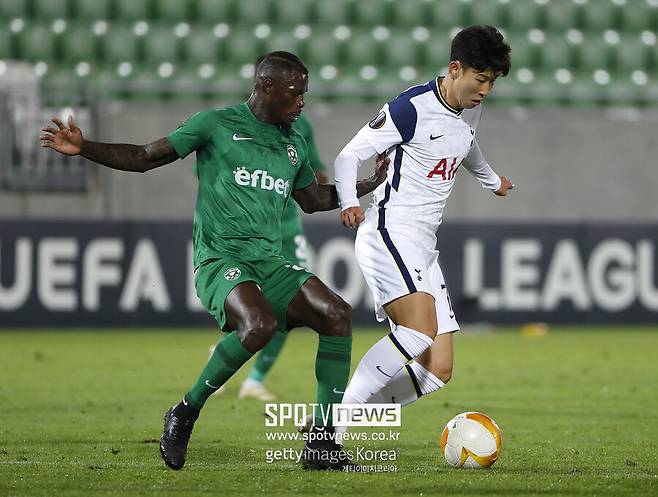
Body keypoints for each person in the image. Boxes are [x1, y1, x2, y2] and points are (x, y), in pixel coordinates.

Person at [40, 51, 388, 471]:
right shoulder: (215, 124)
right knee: (258, 324)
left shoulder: (293, 144)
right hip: (219, 258)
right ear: (267, 87)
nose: (301, 103)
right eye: (295, 94)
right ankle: (185, 411)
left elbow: (312, 201)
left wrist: (369, 183)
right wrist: (85, 147)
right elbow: (146, 156)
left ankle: (322, 443)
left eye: (305, 95)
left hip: (269, 262)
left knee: (336, 313)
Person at [332, 26, 514, 439]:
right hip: (389, 230)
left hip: (423, 247)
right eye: (480, 79)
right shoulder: (410, 108)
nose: (485, 90)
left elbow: (466, 146)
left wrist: (492, 181)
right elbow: (348, 157)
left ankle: (334, 420)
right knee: (416, 332)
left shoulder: (468, 109)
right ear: (455, 68)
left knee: (438, 369)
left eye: (492, 82)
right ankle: (331, 435)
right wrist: (348, 202)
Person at [209, 113, 329, 402]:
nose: (299, 101)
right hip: (247, 232)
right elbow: (214, 169)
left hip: (286, 229)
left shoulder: (301, 126)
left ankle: (254, 380)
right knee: (257, 305)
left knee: (290, 305)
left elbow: (313, 171)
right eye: (293, 91)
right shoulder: (232, 126)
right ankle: (228, 353)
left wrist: (318, 180)